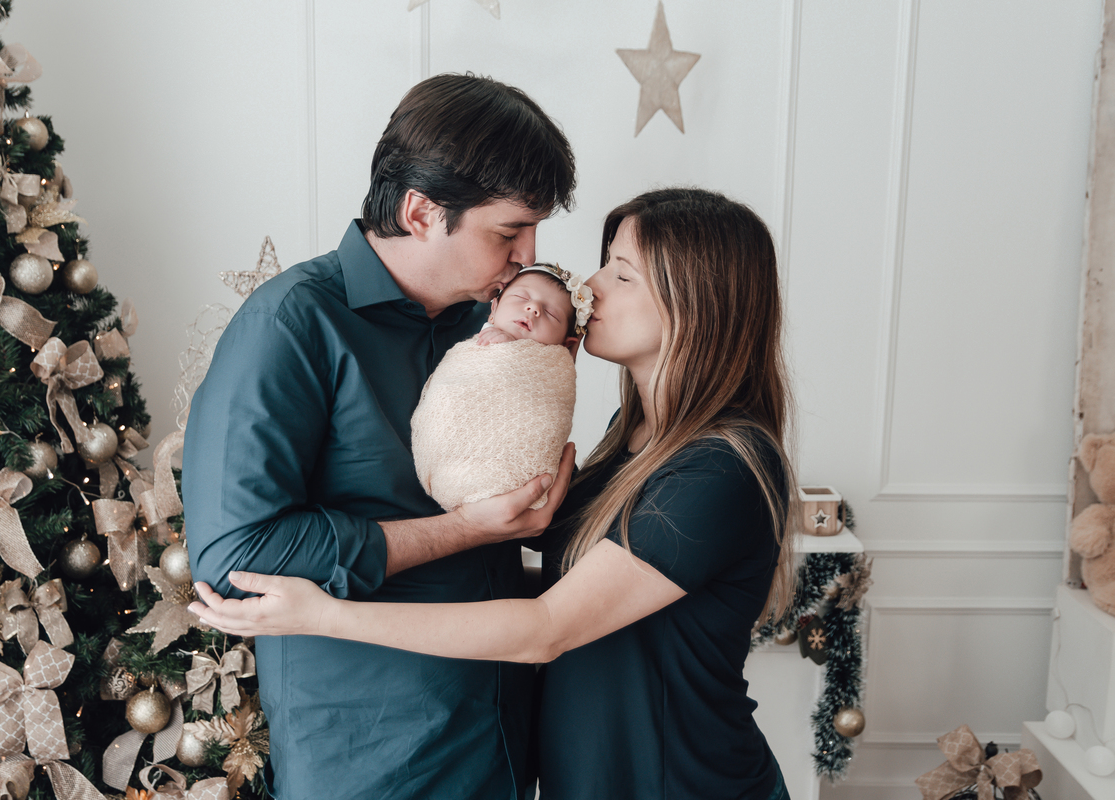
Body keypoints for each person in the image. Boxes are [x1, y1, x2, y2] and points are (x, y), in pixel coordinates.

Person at [191, 187, 797, 800]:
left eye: (622, 274)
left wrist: (326, 615)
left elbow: (548, 627)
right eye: (603, 264)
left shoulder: (723, 466)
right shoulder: (635, 435)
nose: (590, 287)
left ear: (697, 306)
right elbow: (588, 591)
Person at [181, 73, 576, 800]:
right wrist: (465, 529)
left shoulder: (489, 328)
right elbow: (235, 559)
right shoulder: (290, 324)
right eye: (508, 232)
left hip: (501, 741)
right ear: (422, 212)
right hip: (372, 760)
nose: (527, 255)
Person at [411, 262, 593, 513]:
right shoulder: (475, 346)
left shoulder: (551, 367)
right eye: (522, 298)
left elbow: (546, 414)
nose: (533, 309)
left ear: (566, 344)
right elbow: (450, 391)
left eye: (551, 313)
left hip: (516, 474)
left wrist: (514, 350)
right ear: (493, 310)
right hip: (454, 461)